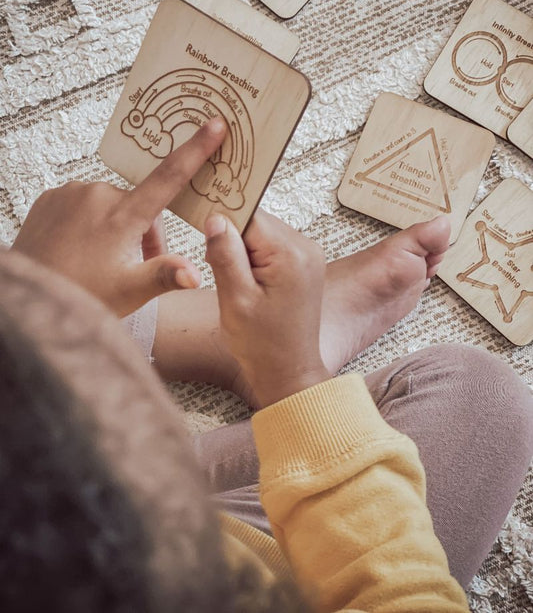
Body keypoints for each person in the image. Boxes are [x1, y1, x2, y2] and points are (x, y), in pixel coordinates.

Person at [3, 117, 533, 611]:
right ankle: (237, 347)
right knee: (481, 398)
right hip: (211, 564)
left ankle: (204, 335)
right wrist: (293, 377)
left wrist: (37, 325)